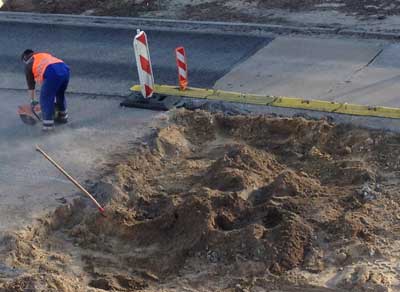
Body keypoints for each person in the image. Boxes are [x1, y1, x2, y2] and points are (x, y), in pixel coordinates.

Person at [21, 49, 70, 131]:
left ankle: (48, 127)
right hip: (65, 69)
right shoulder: (43, 55)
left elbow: (31, 85)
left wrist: (32, 101)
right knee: (60, 94)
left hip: (52, 72)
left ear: (24, 59)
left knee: (46, 99)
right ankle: (63, 117)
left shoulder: (28, 64)